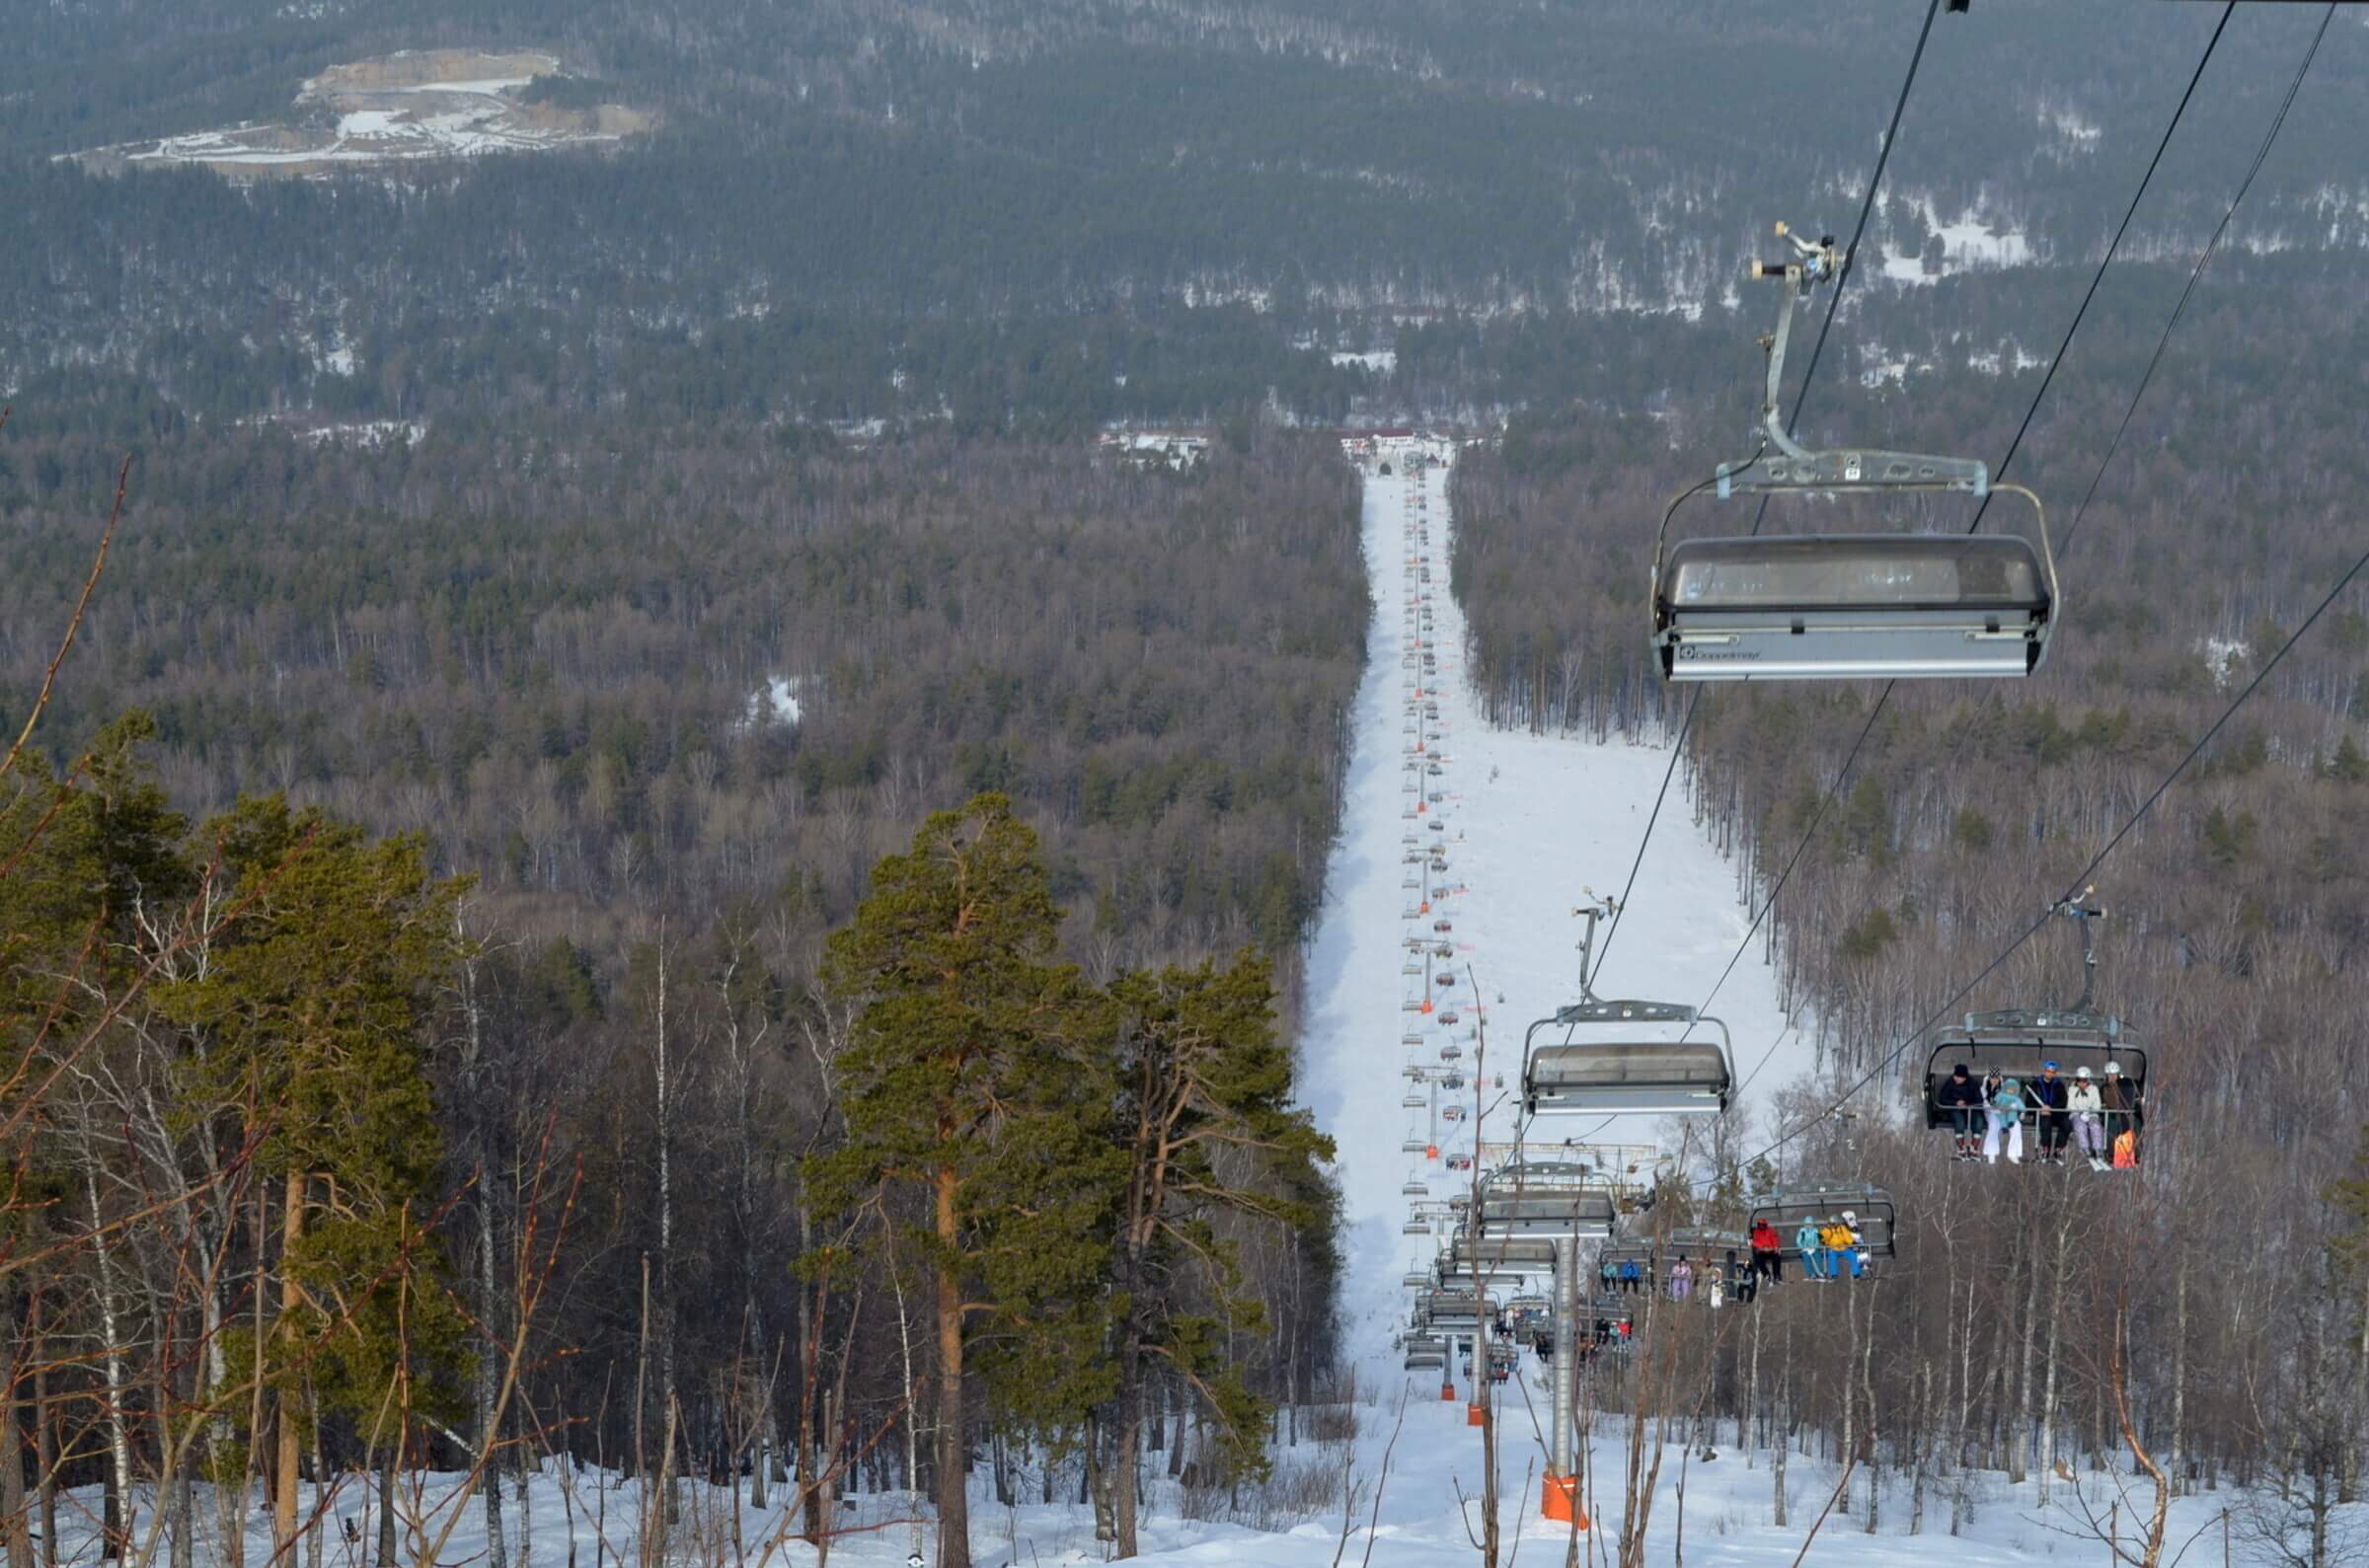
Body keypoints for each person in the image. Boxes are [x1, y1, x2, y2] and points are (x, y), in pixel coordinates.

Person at [1938, 1062, 1984, 1158]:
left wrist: (1967, 1105)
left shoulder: (1973, 1084)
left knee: (1979, 1121)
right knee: (1960, 1121)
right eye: (1955, 1076)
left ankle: (1974, 1147)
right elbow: (1942, 1098)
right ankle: (1961, 1147)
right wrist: (1955, 1103)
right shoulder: (1950, 1083)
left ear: (1964, 1077)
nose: (1956, 1079)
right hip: (1954, 1109)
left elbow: (1979, 1100)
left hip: (1969, 1109)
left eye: (1959, 1077)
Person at [2028, 1061, 2070, 1164]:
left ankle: (2058, 1149)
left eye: (2052, 1072)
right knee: (2046, 1124)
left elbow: (2063, 1101)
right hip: (2041, 1113)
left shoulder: (2059, 1085)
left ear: (2055, 1073)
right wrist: (2041, 1109)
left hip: (2055, 1112)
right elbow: (2029, 1102)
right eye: (2048, 1071)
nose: (2050, 1074)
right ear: (2045, 1071)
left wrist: (2051, 1108)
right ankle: (2045, 1149)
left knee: (2067, 1124)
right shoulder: (2036, 1083)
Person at [2068, 1067, 2106, 1168]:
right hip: (2076, 1114)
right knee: (2080, 1126)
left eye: (2084, 1081)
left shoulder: (2094, 1089)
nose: (2081, 1083)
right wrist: (2080, 1112)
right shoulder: (2072, 1089)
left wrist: (2088, 1111)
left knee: (2095, 1126)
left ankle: (2098, 1150)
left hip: (2091, 1113)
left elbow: (2097, 1105)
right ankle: (2085, 1149)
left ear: (2088, 1080)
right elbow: (2070, 1105)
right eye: (2079, 1080)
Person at [1985, 1074, 2026, 1164]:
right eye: (1992, 1078)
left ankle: (2013, 1153)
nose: (1994, 1080)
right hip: (1997, 1113)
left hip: (2011, 1114)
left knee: (2017, 1126)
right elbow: (1992, 1102)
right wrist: (1995, 1107)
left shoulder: (2015, 1098)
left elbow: (2021, 1105)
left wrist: (2021, 1111)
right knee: (1994, 1125)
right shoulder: (1995, 1091)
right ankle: (1991, 1152)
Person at [2102, 1060, 2142, 1152]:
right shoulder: (2105, 1088)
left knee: (2137, 1123)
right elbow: (2105, 1102)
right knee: (2112, 1125)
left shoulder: (2125, 1086)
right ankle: (2110, 1150)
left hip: (2125, 1113)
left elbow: (2131, 1098)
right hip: (2111, 1114)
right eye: (2110, 1075)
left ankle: (2137, 1150)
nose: (2112, 1077)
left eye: (2114, 1074)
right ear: (2106, 1075)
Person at [1749, 1218, 1785, 1286]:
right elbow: (1754, 1242)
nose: (1762, 1226)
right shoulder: (1756, 1232)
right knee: (1759, 1261)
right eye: (1760, 1225)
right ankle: (1767, 1275)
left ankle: (1776, 1276)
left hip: (1771, 1249)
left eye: (1763, 1225)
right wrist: (1762, 1247)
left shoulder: (1770, 1231)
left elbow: (1775, 1239)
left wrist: (1776, 1247)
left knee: (1777, 1257)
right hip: (1761, 1251)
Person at [1796, 1217, 1825, 1282]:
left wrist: (1815, 1247)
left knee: (1818, 1256)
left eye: (1810, 1224)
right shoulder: (1802, 1231)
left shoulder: (1815, 1231)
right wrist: (1803, 1248)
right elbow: (1798, 1241)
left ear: (1812, 1224)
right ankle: (1811, 1274)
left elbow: (1817, 1240)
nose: (1808, 1226)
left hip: (1813, 1248)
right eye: (1807, 1224)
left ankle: (1819, 1272)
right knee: (1806, 1257)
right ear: (1805, 1224)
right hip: (1805, 1249)